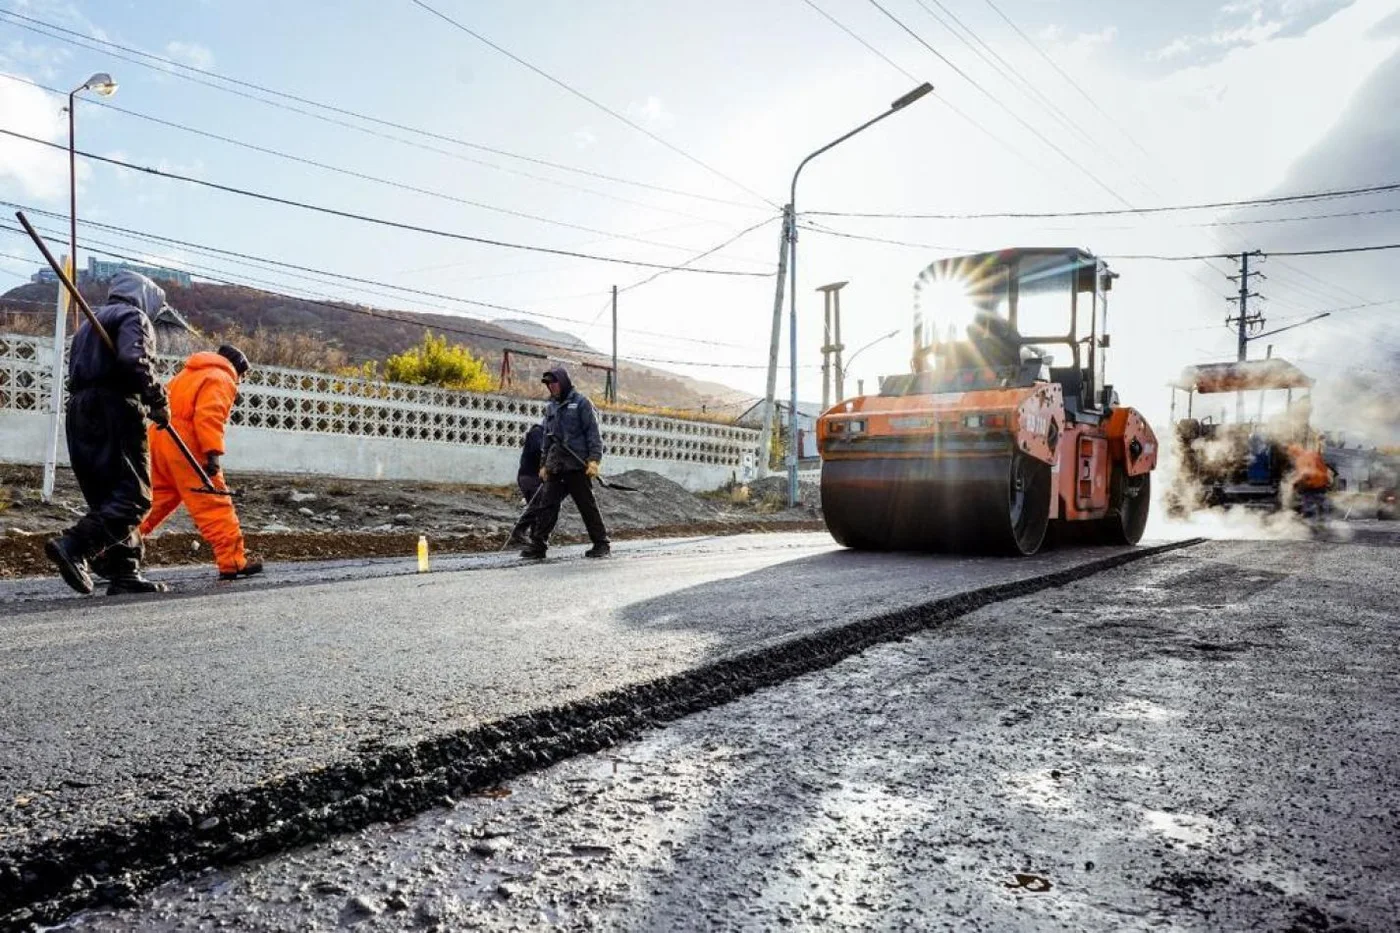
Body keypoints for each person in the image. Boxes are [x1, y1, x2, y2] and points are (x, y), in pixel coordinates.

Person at [44, 271, 171, 596]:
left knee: (109, 493)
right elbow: (134, 359)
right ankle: (75, 546)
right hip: (115, 408)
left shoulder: (87, 326)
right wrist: (157, 399)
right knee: (134, 496)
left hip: (81, 410)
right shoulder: (134, 316)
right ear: (145, 297)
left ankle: (123, 569)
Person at [139, 345, 263, 581]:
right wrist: (213, 454)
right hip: (187, 446)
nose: (241, 381)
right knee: (214, 503)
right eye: (243, 376)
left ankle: (113, 551)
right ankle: (233, 561)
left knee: (153, 502)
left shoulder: (186, 374)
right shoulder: (221, 377)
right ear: (236, 367)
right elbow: (210, 416)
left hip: (159, 439)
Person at [516, 365, 610, 560]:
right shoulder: (551, 407)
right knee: (546, 505)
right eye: (549, 385)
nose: (552, 387)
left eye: (554, 383)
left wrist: (594, 460)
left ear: (564, 382)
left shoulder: (582, 403)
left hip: (577, 465)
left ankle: (601, 544)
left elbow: (593, 433)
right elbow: (546, 439)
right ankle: (538, 546)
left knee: (586, 506)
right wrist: (543, 465)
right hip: (556, 465)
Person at [505, 423, 545, 548]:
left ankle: (534, 538)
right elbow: (538, 450)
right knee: (537, 505)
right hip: (529, 476)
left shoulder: (543, 433)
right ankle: (518, 531)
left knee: (538, 508)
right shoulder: (538, 432)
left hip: (531, 476)